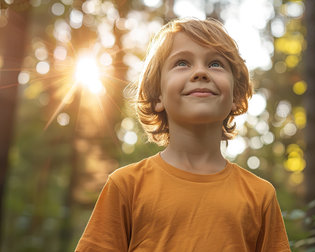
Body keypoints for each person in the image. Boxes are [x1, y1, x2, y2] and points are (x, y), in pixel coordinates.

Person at [76, 18, 291, 252]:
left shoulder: (260, 196)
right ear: (158, 96)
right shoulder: (126, 187)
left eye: (216, 64)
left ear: (236, 96)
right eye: (182, 63)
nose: (200, 72)